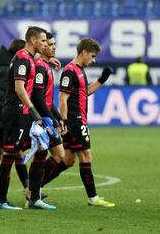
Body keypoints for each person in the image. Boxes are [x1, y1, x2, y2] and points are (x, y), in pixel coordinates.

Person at [58, 38, 115, 207]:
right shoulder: (70, 71)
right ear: (83, 53)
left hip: (78, 119)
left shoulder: (80, 70)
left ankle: (34, 187)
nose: (93, 60)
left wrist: (101, 80)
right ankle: (93, 198)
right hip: (74, 121)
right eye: (92, 55)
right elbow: (62, 98)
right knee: (86, 156)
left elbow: (85, 92)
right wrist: (64, 121)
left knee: (68, 160)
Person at [0, 26, 47, 210]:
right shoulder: (22, 58)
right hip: (16, 112)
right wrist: (33, 110)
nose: (45, 44)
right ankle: (2, 200)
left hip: (22, 112)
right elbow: (19, 88)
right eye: (42, 40)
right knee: (9, 153)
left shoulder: (29, 59)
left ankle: (33, 196)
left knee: (40, 148)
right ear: (33, 40)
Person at [0, 39, 29, 202]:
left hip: (4, 121)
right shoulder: (5, 70)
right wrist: (0, 122)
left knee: (14, 154)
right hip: (2, 123)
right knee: (3, 155)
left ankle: (28, 189)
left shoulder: (4, 67)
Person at [26, 31, 65, 209]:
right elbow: (38, 97)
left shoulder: (44, 65)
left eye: (53, 44)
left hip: (44, 117)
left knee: (44, 155)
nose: (53, 47)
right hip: (40, 119)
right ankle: (34, 192)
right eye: (49, 44)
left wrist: (58, 117)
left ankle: (34, 193)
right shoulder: (41, 67)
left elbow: (48, 101)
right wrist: (51, 120)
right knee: (57, 155)